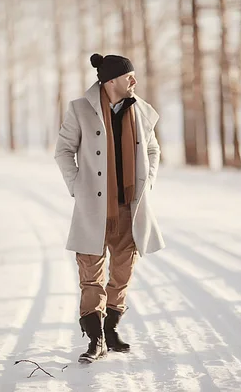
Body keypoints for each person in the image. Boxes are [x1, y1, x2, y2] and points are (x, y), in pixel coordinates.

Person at [54, 53, 165, 363]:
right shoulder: (80, 110)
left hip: (130, 207)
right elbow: (63, 151)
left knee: (122, 272)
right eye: (129, 76)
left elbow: (153, 149)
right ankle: (95, 338)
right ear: (111, 80)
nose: (135, 81)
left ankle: (111, 329)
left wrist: (149, 181)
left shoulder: (141, 110)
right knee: (90, 275)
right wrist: (77, 186)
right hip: (94, 210)